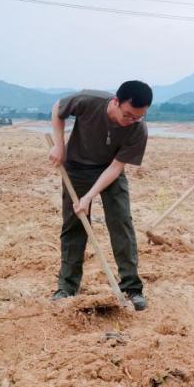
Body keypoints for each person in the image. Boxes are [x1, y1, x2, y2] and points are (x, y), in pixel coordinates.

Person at [47, 80, 153, 311]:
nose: (131, 121)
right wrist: (59, 145)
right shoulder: (89, 101)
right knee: (73, 226)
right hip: (76, 168)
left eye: (138, 117)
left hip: (109, 173)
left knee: (121, 223)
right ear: (116, 102)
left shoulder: (137, 129)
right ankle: (67, 286)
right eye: (128, 115)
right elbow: (58, 108)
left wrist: (88, 197)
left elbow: (115, 168)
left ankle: (132, 288)